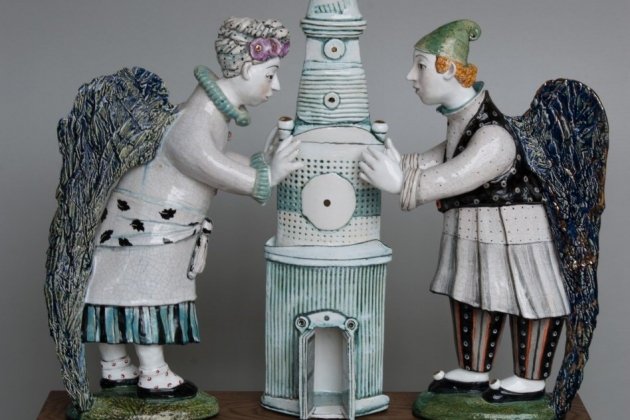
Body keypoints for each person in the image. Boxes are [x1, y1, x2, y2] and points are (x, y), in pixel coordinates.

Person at [76, 17, 302, 399]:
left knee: (117, 292)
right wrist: (264, 177)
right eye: (271, 73)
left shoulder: (209, 112)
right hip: (148, 229)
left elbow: (216, 158)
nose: (276, 85)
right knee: (145, 295)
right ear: (247, 68)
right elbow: (206, 163)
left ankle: (115, 366)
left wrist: (260, 163)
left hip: (149, 225)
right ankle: (151, 372)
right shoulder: (197, 117)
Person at [358, 20, 571, 403]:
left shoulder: (494, 136)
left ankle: (531, 379)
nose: (410, 76)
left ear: (449, 69)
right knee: (472, 292)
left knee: (529, 296)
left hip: (515, 233)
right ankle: (474, 371)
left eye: (420, 66)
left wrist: (400, 182)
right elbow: (434, 159)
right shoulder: (465, 125)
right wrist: (398, 163)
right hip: (478, 229)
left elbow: (452, 175)